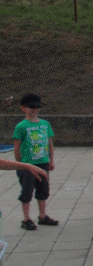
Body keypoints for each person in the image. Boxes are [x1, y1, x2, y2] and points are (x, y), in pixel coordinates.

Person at [12, 93, 58, 230]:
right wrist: (19, 164)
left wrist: (51, 160)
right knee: (27, 191)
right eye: (31, 107)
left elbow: (50, 143)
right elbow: (17, 146)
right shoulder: (21, 126)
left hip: (43, 162)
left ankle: (42, 215)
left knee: (43, 190)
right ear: (23, 108)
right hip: (27, 164)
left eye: (37, 107)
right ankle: (26, 218)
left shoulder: (45, 124)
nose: (35, 110)